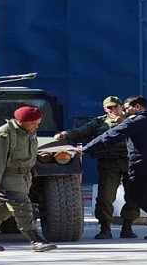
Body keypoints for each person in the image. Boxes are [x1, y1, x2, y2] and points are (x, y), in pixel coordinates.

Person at [82, 96, 147, 240]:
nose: (125, 111)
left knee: (136, 195)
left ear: (137, 107)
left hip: (146, 164)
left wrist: (85, 149)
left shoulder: (136, 121)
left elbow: (111, 135)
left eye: (127, 108)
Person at [0, 106, 57, 252]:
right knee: (23, 207)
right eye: (34, 123)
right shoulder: (2, 135)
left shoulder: (28, 132)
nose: (37, 125)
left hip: (23, 178)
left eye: (38, 122)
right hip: (8, 178)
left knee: (0, 209)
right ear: (21, 121)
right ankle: (35, 240)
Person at [55, 96, 139, 239]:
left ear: (121, 107)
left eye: (116, 107)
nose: (113, 110)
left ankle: (128, 226)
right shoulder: (99, 122)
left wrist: (121, 121)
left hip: (130, 162)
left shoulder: (132, 120)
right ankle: (105, 227)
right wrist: (65, 134)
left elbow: (140, 134)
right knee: (105, 197)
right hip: (108, 163)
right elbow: (81, 132)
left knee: (134, 196)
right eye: (109, 108)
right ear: (104, 109)